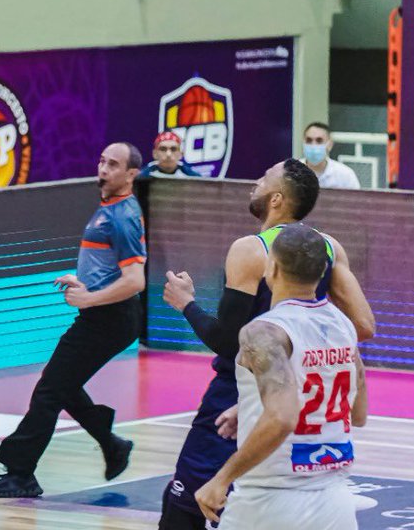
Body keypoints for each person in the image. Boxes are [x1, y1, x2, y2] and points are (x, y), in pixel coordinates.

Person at [158, 159, 374, 529]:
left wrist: (187, 304)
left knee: (186, 506)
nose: (255, 182)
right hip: (302, 390)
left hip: (239, 389)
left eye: (263, 178)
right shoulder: (326, 247)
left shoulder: (251, 249)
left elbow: (228, 343)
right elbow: (364, 327)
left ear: (276, 199)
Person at [0, 142, 145, 499]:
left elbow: (135, 281)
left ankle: (21, 475)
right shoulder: (109, 208)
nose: (103, 169)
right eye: (102, 161)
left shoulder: (124, 216)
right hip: (103, 314)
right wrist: (83, 281)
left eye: (114, 165)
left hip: (110, 318)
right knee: (60, 385)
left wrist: (89, 297)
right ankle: (111, 443)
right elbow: (109, 266)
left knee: (50, 390)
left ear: (131, 174)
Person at [195, 223, 367, 530]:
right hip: (336, 502)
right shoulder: (343, 325)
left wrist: (221, 479)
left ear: (271, 268)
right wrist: (251, 405)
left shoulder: (263, 331)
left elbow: (282, 417)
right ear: (323, 270)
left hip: (269, 502)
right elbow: (357, 412)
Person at [301, 122, 361, 190]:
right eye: (309, 140)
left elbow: (356, 196)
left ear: (330, 145)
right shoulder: (291, 172)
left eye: (319, 141)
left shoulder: (345, 175)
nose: (313, 145)